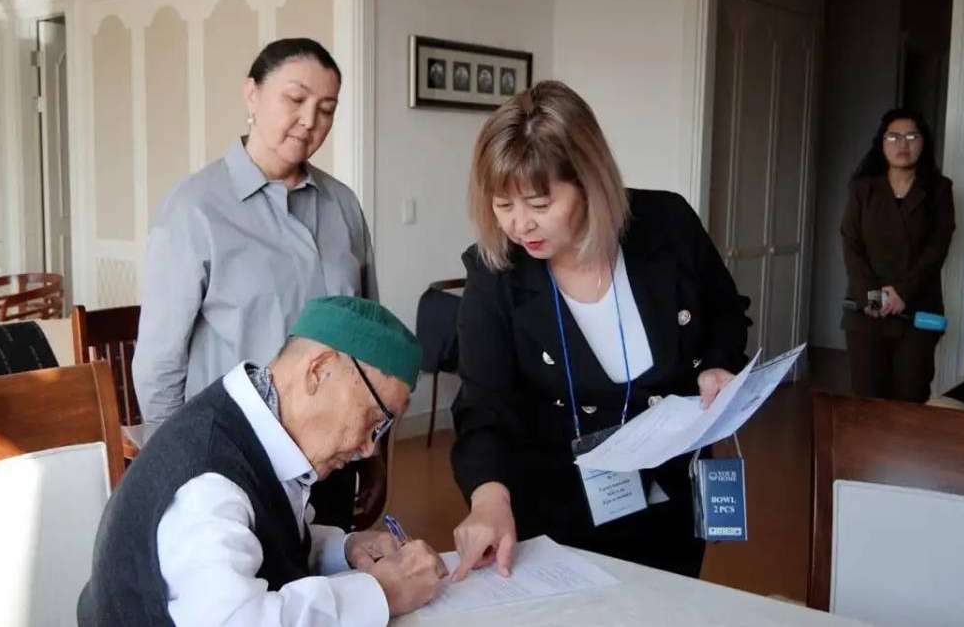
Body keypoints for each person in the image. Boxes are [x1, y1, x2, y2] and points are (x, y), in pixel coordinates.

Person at [449, 80, 751, 580]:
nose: (521, 225)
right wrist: (488, 497)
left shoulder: (667, 224)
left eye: (540, 204)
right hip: (555, 507)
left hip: (670, 496)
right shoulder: (496, 273)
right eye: (503, 206)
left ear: (589, 182)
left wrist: (718, 366)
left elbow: (725, 312)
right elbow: (485, 404)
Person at [80, 297, 448, 626]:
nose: (369, 449)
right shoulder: (208, 485)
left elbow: (259, 535)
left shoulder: (249, 425)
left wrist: (345, 550)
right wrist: (381, 594)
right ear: (318, 370)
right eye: (374, 420)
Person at [132, 38, 377, 528]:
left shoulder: (343, 205)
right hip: (237, 459)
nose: (310, 120)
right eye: (295, 99)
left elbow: (368, 335)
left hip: (334, 455)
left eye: (326, 109)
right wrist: (178, 468)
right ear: (252, 94)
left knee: (330, 590)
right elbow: (159, 363)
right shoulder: (195, 210)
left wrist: (374, 446)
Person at [841, 109, 955, 403]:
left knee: (910, 396)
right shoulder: (861, 189)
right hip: (867, 309)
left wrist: (902, 292)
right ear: (881, 143)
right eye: (893, 136)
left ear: (923, 142)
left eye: (911, 136)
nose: (902, 144)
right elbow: (851, 243)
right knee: (867, 400)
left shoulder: (940, 190)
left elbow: (937, 247)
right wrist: (873, 295)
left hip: (917, 307)